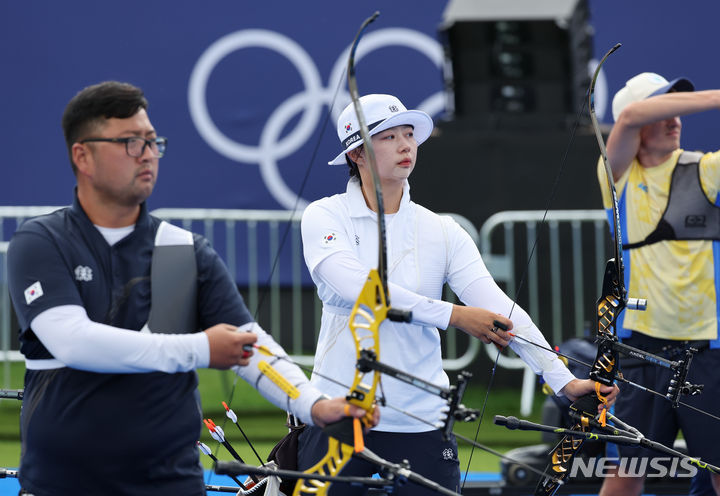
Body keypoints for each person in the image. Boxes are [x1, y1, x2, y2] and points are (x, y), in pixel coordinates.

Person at [7, 81, 376, 496]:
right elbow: (71, 341)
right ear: (83, 156)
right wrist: (202, 349)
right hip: (64, 483)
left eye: (152, 141)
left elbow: (248, 346)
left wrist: (312, 403)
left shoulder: (184, 250)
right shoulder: (42, 241)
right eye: (130, 142)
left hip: (169, 483)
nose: (147, 153)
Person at [296, 93, 619, 495]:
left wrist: (564, 380)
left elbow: (499, 307)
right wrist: (455, 315)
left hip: (421, 418)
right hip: (338, 410)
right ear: (357, 153)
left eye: (409, 134)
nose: (404, 145)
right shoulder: (324, 216)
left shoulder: (442, 230)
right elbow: (360, 289)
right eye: (387, 137)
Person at [596, 72, 720, 496]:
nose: (676, 118)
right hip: (641, 349)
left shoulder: (706, 168)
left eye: (678, 109)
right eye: (665, 108)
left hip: (707, 350)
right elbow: (629, 115)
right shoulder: (616, 176)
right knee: (628, 471)